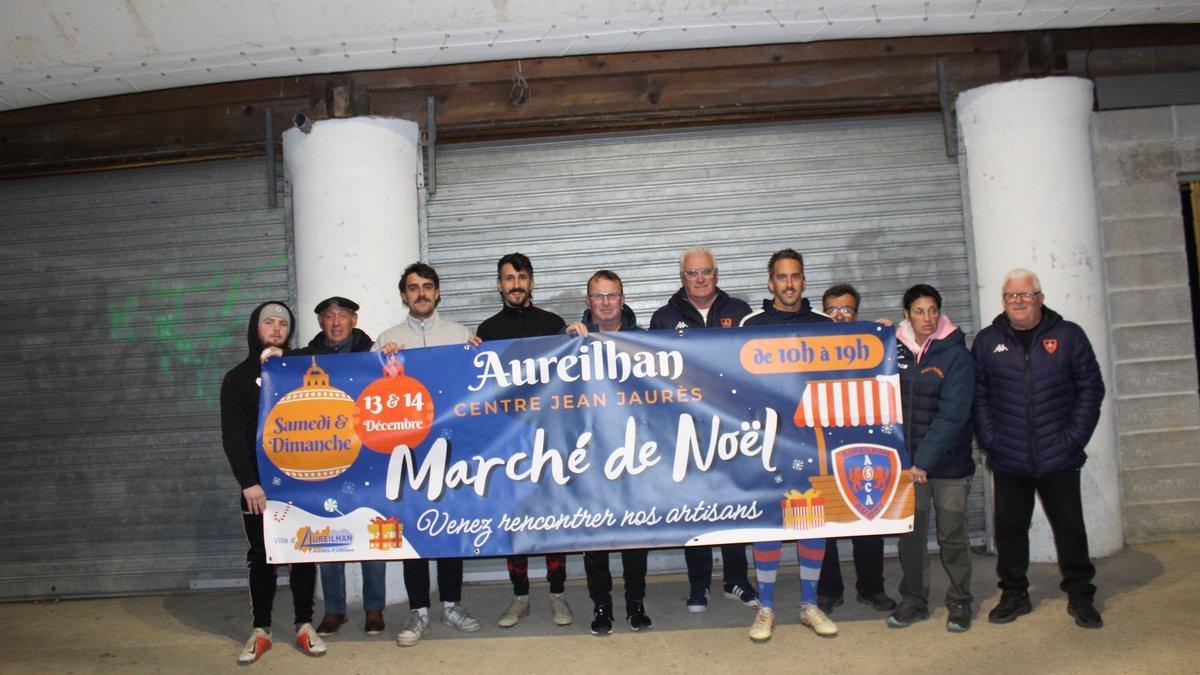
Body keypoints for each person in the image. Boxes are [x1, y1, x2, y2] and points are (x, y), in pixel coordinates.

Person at [972, 269, 1105, 629]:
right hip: (1009, 457)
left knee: (1070, 529)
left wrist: (1073, 438)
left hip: (1059, 455)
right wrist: (991, 439)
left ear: (1040, 298)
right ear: (1004, 300)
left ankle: (1080, 594)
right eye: (1012, 295)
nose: (1019, 301)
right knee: (1010, 530)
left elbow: (1091, 390)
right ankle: (1014, 594)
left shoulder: (1068, 336)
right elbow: (979, 396)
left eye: (1026, 294)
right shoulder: (987, 342)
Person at [374, 263, 484, 647]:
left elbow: (481, 388)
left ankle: (451, 604)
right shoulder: (386, 340)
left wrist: (479, 356)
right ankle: (419, 610)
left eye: (427, 287)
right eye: (413, 288)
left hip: (453, 455)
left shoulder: (460, 335)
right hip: (406, 456)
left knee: (451, 529)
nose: (420, 293)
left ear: (438, 293)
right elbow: (374, 399)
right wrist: (380, 363)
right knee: (414, 532)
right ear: (403, 295)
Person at [649, 246, 760, 613]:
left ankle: (737, 580)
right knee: (695, 506)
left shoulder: (740, 312)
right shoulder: (664, 318)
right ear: (682, 278)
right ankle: (699, 584)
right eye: (692, 273)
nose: (699, 278)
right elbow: (653, 377)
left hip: (733, 427)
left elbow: (761, 362)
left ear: (716, 275)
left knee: (735, 503)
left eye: (706, 272)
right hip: (687, 429)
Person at [739, 249, 837, 641]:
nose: (789, 284)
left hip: (811, 440)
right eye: (782, 277)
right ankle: (765, 608)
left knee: (810, 517)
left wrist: (877, 333)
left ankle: (809, 604)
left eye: (795, 276)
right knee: (768, 521)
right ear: (770, 282)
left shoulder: (825, 324)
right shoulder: (751, 323)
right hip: (766, 440)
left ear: (804, 281)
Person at [220, 301, 325, 664]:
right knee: (261, 557)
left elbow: (344, 349)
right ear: (255, 328)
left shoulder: (301, 367)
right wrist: (248, 482)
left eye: (283, 323)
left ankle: (303, 625)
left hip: (299, 484)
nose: (277, 328)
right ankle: (261, 629)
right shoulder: (236, 378)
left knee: (302, 554)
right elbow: (233, 437)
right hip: (259, 488)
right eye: (269, 323)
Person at [476, 253, 574, 628]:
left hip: (550, 439)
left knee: (551, 518)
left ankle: (557, 594)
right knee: (513, 517)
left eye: (521, 277)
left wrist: (576, 338)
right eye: (507, 278)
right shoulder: (486, 330)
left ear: (531, 282)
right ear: (499, 285)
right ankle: (520, 596)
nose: (515, 284)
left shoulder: (553, 325)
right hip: (505, 443)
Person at [564, 270, 653, 635]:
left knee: (635, 534)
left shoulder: (647, 342)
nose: (604, 302)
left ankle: (636, 601)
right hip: (589, 454)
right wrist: (563, 340)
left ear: (622, 299)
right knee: (595, 537)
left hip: (634, 450)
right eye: (597, 296)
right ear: (588, 302)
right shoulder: (569, 340)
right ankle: (601, 605)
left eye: (611, 295)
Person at [885, 284, 976, 633]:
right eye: (920, 311)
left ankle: (960, 600)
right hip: (908, 468)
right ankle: (915, 601)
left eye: (933, 310)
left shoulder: (955, 355)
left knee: (953, 535)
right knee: (912, 537)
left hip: (947, 467)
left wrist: (923, 461)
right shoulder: (891, 348)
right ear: (907, 314)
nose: (928, 318)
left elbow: (953, 416)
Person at [295, 297, 387, 637]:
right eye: (329, 316)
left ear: (354, 320)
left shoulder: (372, 353)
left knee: (370, 529)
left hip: (367, 456)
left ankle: (374, 607)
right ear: (320, 321)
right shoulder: (302, 359)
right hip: (324, 457)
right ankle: (335, 609)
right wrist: (274, 358)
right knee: (327, 532)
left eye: (343, 315)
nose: (336, 321)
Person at [814, 283, 896, 615]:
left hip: (867, 441)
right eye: (832, 310)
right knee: (825, 519)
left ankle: (872, 588)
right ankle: (829, 590)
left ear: (856, 313)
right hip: (824, 441)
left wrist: (889, 334)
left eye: (846, 310)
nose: (839, 317)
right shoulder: (812, 347)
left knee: (869, 517)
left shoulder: (874, 344)